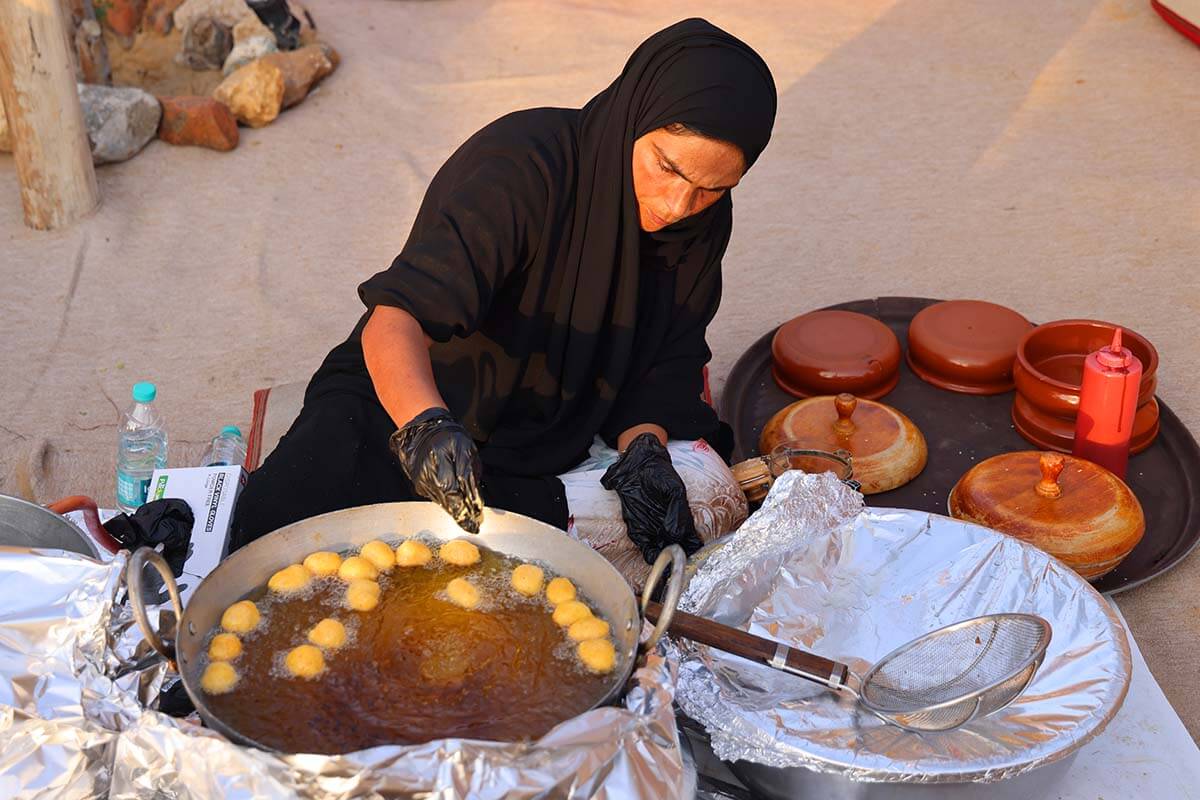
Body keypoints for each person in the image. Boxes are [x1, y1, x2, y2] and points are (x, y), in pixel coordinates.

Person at [230, 18, 776, 573]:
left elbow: (664, 360)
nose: (679, 204)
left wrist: (643, 453)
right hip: (413, 409)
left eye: (713, 188)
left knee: (709, 503)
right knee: (273, 545)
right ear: (637, 111)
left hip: (554, 441)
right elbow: (397, 316)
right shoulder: (520, 168)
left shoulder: (702, 223)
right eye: (666, 166)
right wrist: (426, 430)